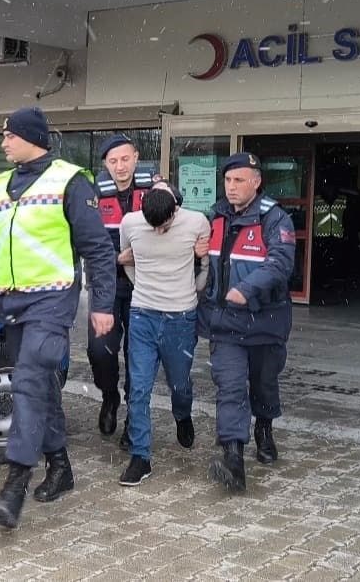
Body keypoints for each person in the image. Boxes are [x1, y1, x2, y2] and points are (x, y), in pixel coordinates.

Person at [0, 106, 116, 530]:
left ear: (31, 137)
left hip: (52, 302)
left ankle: (15, 482)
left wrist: (103, 304)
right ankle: (61, 464)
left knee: (28, 381)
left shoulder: (70, 180)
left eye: (9, 135)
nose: (3, 142)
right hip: (10, 304)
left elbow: (98, 249)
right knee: (41, 386)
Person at [199, 152, 296, 492]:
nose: (232, 187)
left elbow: (281, 264)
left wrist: (246, 288)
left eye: (239, 180)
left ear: (256, 182)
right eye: (228, 180)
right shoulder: (214, 217)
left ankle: (264, 428)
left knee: (263, 383)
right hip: (225, 322)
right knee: (231, 386)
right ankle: (233, 457)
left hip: (265, 321)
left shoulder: (275, 219)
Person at [116, 182, 210, 486]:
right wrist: (144, 286)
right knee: (138, 388)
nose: (157, 231)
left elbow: (205, 266)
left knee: (179, 384)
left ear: (176, 210)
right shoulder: (130, 223)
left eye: (164, 225)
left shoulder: (197, 222)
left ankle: (182, 415)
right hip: (142, 314)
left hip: (180, 318)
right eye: (151, 226)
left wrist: (189, 294)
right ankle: (140, 456)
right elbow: (127, 262)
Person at [89, 134, 154, 446]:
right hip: (106, 286)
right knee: (100, 350)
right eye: (113, 161)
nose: (120, 166)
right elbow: (85, 240)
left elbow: (174, 217)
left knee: (138, 357)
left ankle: (134, 419)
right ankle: (109, 395)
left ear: (136, 158)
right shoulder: (93, 194)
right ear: (105, 164)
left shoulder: (154, 188)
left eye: (125, 159)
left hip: (144, 288)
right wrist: (116, 258)